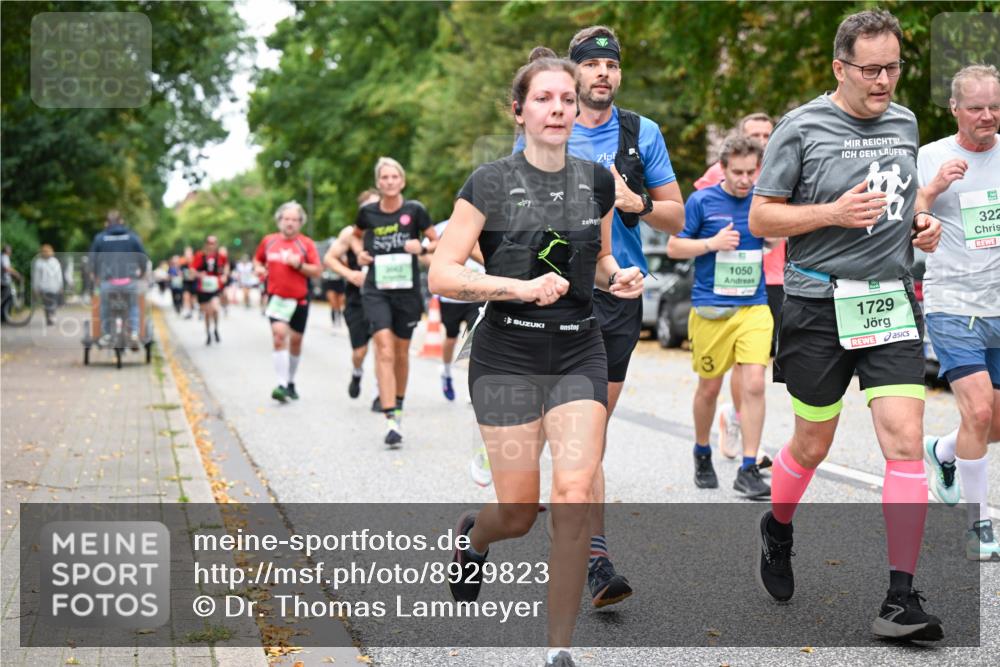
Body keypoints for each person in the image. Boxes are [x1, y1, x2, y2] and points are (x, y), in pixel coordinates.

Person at [429, 47, 643, 667]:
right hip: (507, 354)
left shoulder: (597, 182)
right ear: (519, 112)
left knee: (574, 491)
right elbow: (444, 272)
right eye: (544, 99)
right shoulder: (489, 183)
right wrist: (515, 287)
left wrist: (615, 276)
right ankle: (475, 539)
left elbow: (597, 262)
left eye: (567, 99)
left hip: (580, 347)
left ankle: (557, 653)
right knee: (520, 511)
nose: (558, 108)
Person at [748, 9, 944, 640]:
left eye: (893, 67)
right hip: (817, 305)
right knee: (812, 443)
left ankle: (900, 598)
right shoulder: (800, 128)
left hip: (889, 301)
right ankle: (778, 526)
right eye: (871, 69)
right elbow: (762, 221)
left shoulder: (906, 121)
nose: (884, 80)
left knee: (904, 441)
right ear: (840, 68)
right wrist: (831, 212)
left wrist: (921, 224)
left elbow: (902, 200)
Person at [517, 25, 686, 609]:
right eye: (592, 66)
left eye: (612, 65)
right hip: (553, 292)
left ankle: (588, 548)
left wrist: (634, 202)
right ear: (576, 72)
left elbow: (676, 218)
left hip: (618, 295)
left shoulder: (643, 135)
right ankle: (596, 559)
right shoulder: (549, 131)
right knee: (573, 433)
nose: (603, 75)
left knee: (589, 435)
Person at [917, 63, 1000, 560]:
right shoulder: (931, 157)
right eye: (976, 107)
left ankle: (943, 451)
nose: (988, 115)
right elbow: (907, 215)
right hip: (953, 306)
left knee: (993, 424)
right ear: (954, 109)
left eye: (994, 106)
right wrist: (931, 192)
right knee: (980, 410)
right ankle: (979, 527)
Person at [667, 136, 771, 498]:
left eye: (750, 172)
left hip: (753, 306)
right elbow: (674, 246)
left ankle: (748, 467)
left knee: (755, 382)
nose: (745, 180)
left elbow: (775, 235)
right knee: (709, 387)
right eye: (737, 172)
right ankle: (702, 450)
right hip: (711, 308)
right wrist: (711, 244)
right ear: (723, 169)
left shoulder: (762, 199)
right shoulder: (703, 201)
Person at [694, 113, 782, 458]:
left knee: (754, 367)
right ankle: (739, 422)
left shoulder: (779, 170)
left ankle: (739, 422)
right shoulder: (724, 174)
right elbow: (702, 206)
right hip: (724, 280)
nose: (761, 139)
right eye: (754, 134)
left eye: (766, 134)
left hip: (774, 276)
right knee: (733, 368)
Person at [353, 158, 439, 446]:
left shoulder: (415, 211)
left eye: (394, 177)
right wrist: (361, 255)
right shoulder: (368, 213)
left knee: (401, 353)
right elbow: (355, 237)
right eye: (384, 178)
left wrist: (423, 247)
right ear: (378, 183)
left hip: (407, 292)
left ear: (402, 181)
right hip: (376, 289)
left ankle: (398, 408)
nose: (389, 182)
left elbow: (436, 241)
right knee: (385, 350)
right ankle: (390, 420)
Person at [254, 202, 322, 402]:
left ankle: (290, 381)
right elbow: (258, 260)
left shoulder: (306, 244)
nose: (290, 223)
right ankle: (281, 384)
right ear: (279, 220)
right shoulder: (269, 241)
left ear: (300, 222)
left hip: (299, 300)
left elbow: (317, 270)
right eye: (286, 219)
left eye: (294, 219)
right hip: (276, 298)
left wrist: (299, 264)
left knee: (296, 342)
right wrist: (258, 268)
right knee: (278, 336)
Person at [325, 189, 380, 400]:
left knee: (383, 347)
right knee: (360, 352)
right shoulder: (349, 234)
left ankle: (380, 394)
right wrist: (350, 274)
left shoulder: (390, 231)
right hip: (357, 299)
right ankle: (357, 373)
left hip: (383, 297)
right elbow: (329, 258)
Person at [424, 219, 485, 402]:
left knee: (476, 338)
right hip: (451, 295)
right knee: (451, 338)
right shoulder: (443, 228)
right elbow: (422, 252)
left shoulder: (485, 226)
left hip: (477, 294)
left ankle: (474, 387)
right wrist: (438, 269)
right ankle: (447, 371)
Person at [88, 210, 148, 348]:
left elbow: (92, 260)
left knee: (105, 306)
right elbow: (142, 257)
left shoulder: (100, 238)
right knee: (133, 305)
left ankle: (107, 334)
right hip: (129, 281)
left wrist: (94, 275)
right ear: (121, 222)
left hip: (108, 282)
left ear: (107, 223)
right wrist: (142, 273)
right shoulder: (132, 237)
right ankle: (133, 332)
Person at [191, 235, 228, 345]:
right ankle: (208, 333)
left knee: (215, 309)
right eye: (210, 243)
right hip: (203, 289)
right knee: (207, 312)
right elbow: (192, 270)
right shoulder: (199, 256)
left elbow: (226, 266)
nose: (212, 246)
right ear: (206, 244)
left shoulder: (220, 256)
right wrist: (199, 274)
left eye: (214, 243)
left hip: (215, 287)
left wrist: (224, 275)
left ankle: (216, 328)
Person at [32, 244, 64, 325]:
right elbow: (59, 275)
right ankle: (51, 316)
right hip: (52, 286)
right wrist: (61, 285)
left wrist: (35, 288)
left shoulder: (39, 262)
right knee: (51, 302)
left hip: (47, 287)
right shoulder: (54, 261)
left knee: (47, 303)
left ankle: (50, 316)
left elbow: (36, 277)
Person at [1, 244, 22, 323]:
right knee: (8, 299)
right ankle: (4, 317)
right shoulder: (4, 257)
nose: (11, 252)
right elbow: (6, 268)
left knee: (5, 299)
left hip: (3, 281)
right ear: (7, 250)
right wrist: (16, 273)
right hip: (4, 281)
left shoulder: (2, 256)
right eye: (10, 250)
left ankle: (4, 317)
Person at [180, 246, 197, 319]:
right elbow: (180, 271)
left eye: (189, 253)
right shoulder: (182, 261)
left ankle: (192, 309)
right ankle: (188, 311)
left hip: (194, 282)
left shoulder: (195, 261)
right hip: (186, 282)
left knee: (193, 298)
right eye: (186, 253)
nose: (187, 254)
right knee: (186, 296)